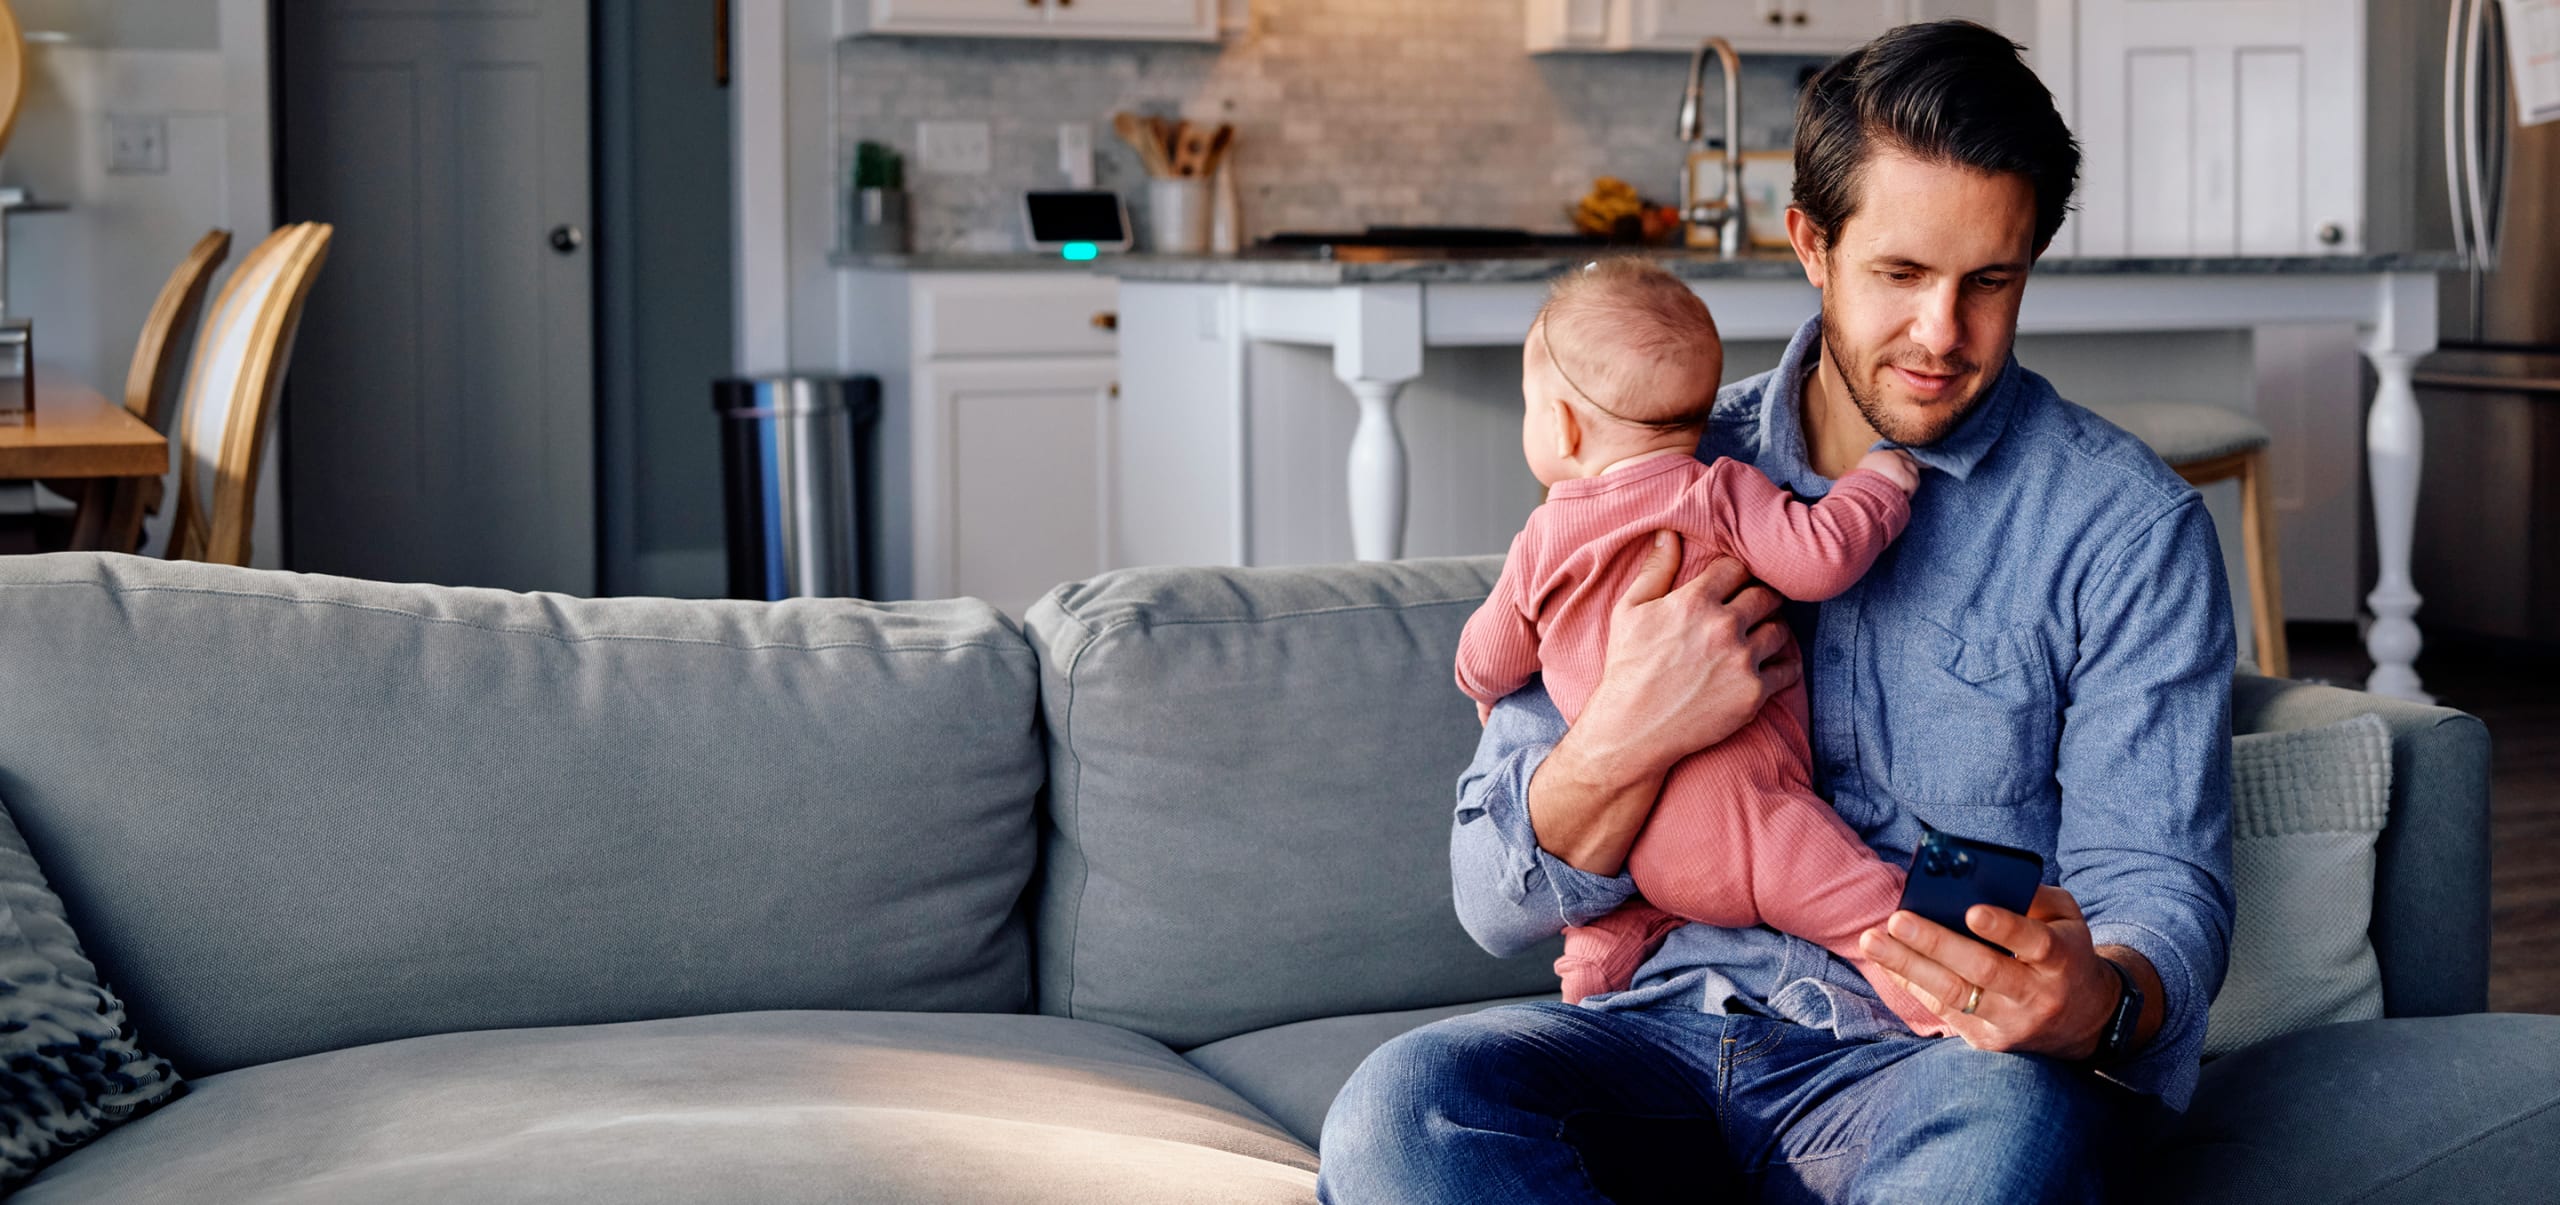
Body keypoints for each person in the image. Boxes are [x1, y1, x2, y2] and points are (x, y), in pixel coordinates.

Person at [1320, 19, 2236, 1204]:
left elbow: (2159, 884)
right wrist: (1627, 732)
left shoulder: (2122, 530)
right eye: (1900, 275)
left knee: (2017, 1137)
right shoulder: (1656, 474)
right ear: (1810, 243)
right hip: (1650, 1031)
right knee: (1406, 1107)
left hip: (1927, 1066)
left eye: (1990, 282)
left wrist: (2100, 993)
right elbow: (1493, 899)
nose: (1942, 335)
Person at [1453, 257, 1935, 1033]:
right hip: (1752, 828)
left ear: (1563, 426)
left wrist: (1486, 691)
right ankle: (1938, 1006)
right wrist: (1880, 487)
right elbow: (1819, 558)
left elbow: (1485, 654)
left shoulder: (1542, 539)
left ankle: (1595, 977)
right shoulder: (1716, 488)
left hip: (1647, 862)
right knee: (1868, 911)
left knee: (1610, 924)